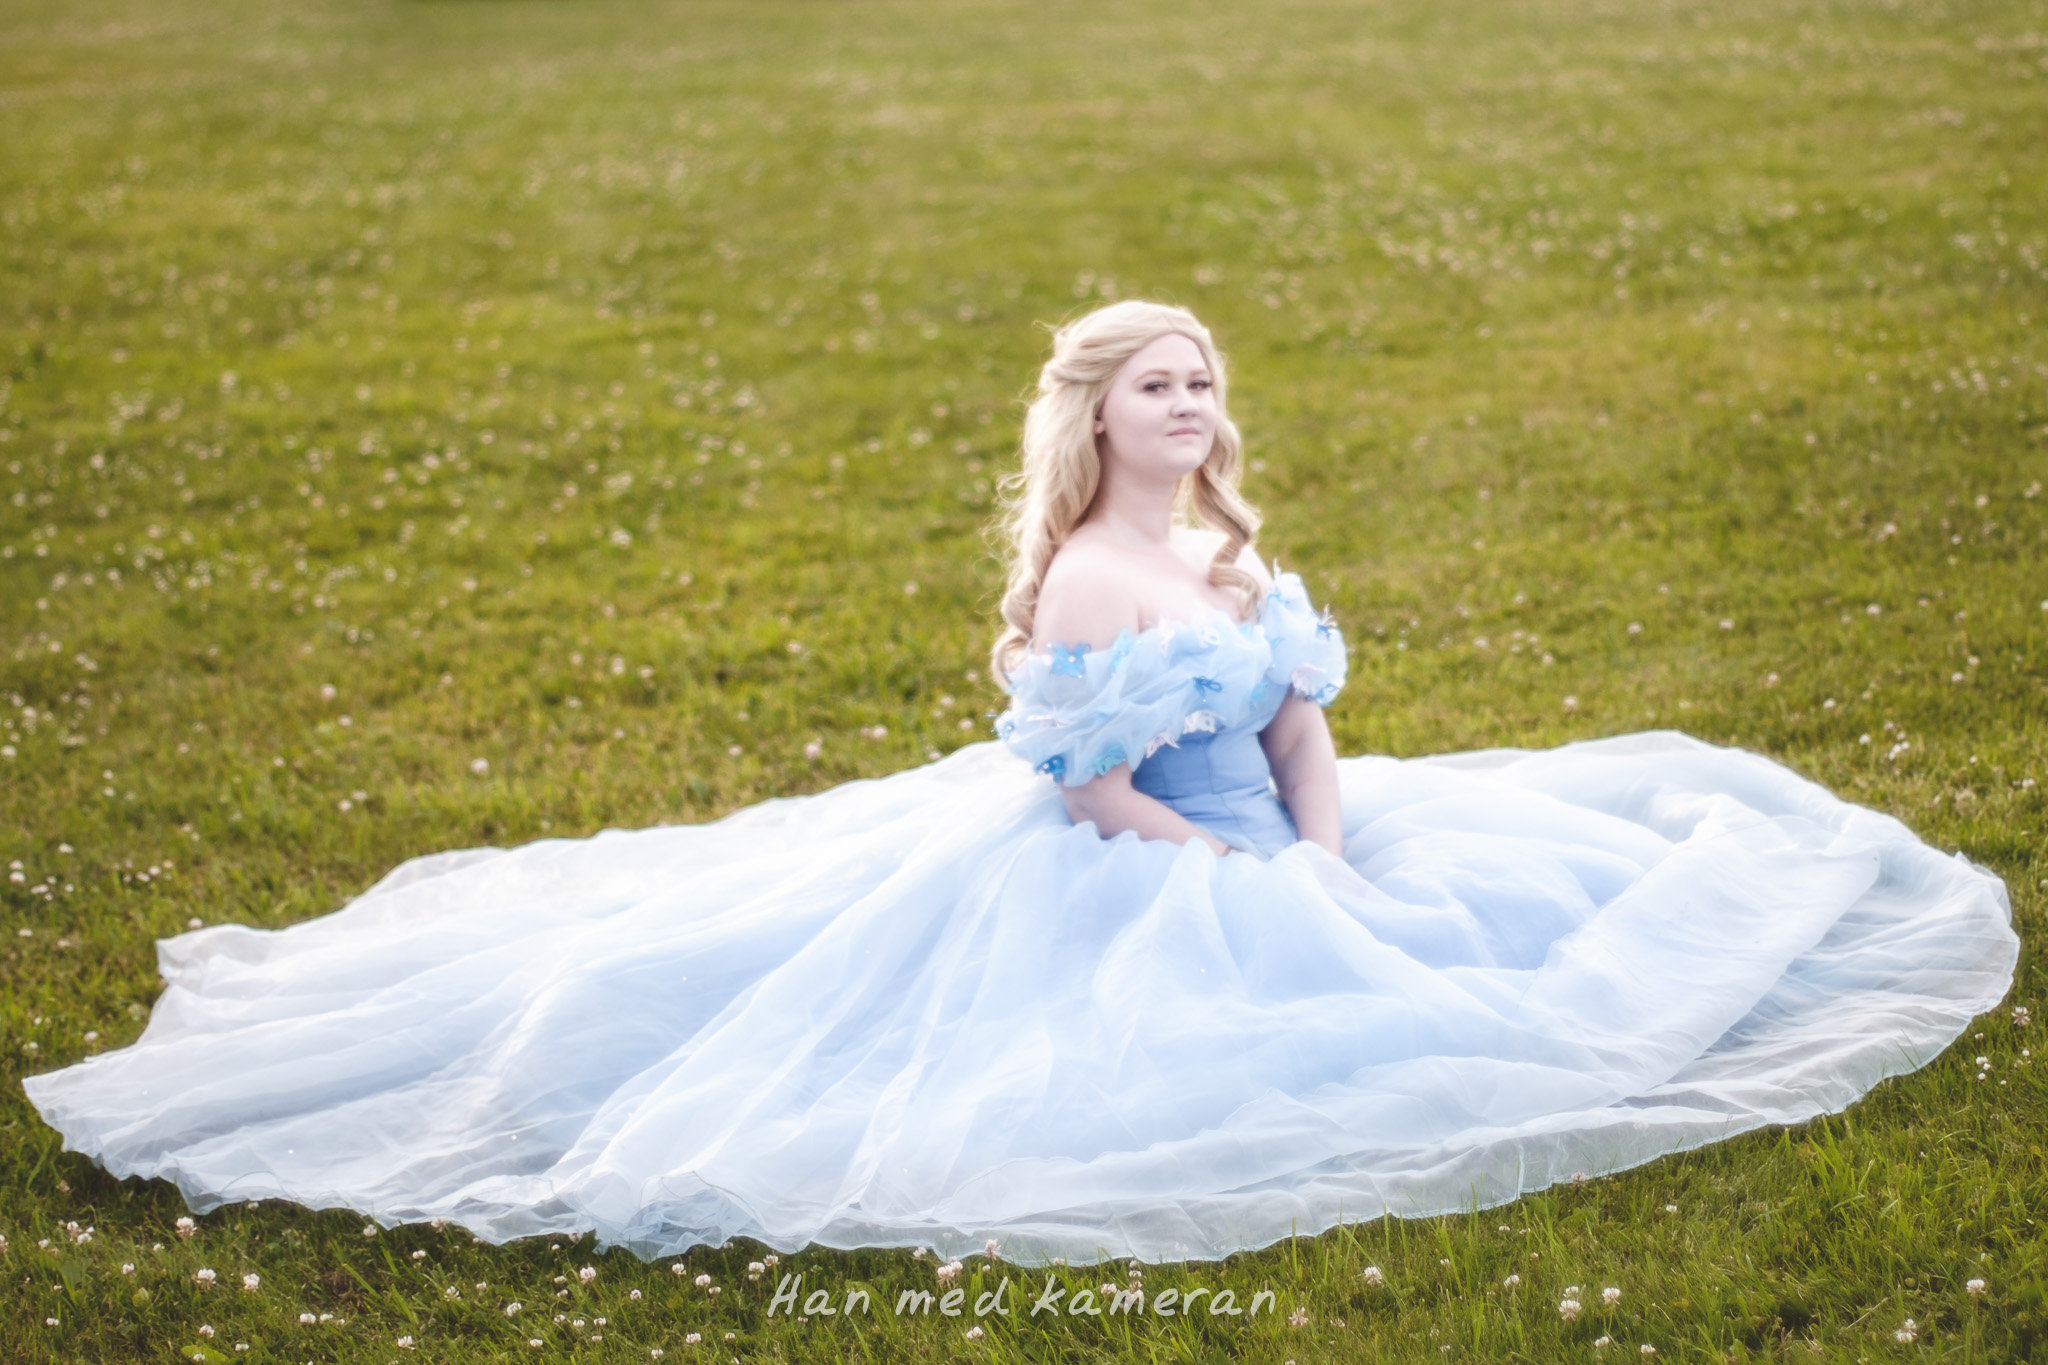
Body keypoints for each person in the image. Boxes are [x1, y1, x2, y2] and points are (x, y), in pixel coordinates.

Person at [23, 301, 2018, 1268]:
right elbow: (1096, 798)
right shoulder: (1086, 582)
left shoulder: (1228, 548)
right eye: (1160, 385)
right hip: (1146, 856)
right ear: (1096, 418)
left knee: (1574, 894)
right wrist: (1242, 886)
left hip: (1280, 832)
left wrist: (1326, 852)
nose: (1195, 405)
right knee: (1195, 1059)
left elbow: (1298, 721)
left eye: (1207, 381)